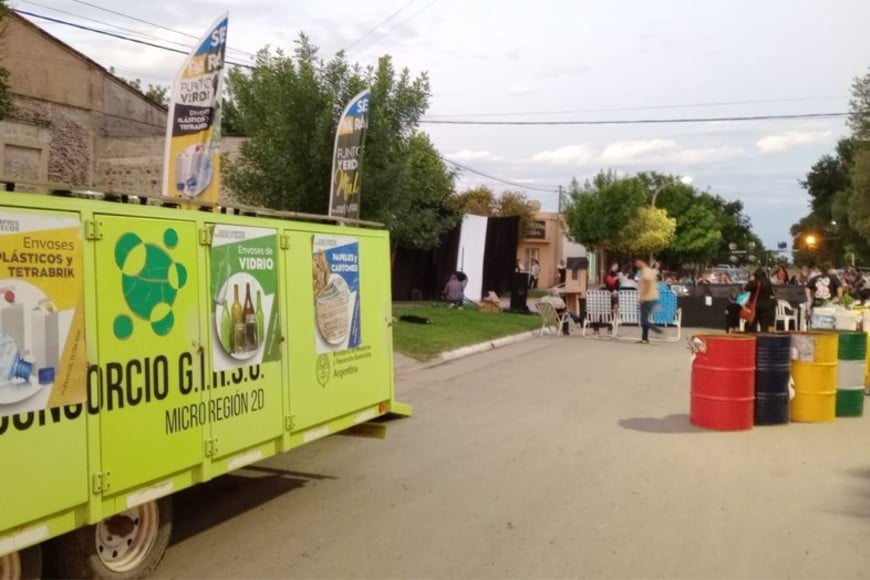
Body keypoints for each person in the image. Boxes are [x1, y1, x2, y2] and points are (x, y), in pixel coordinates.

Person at [635, 258, 662, 344]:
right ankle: (644, 338)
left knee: (644, 320)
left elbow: (647, 284)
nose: (636, 265)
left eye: (637, 262)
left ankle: (656, 329)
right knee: (645, 318)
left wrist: (642, 296)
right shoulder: (649, 270)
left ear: (641, 262)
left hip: (647, 298)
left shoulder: (645, 271)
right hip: (652, 297)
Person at [743, 268, 776, 332]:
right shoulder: (768, 282)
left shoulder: (755, 282)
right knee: (764, 327)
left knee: (753, 326)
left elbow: (746, 288)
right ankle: (764, 340)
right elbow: (771, 292)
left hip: (755, 307)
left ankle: (754, 340)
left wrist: (751, 280)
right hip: (766, 306)